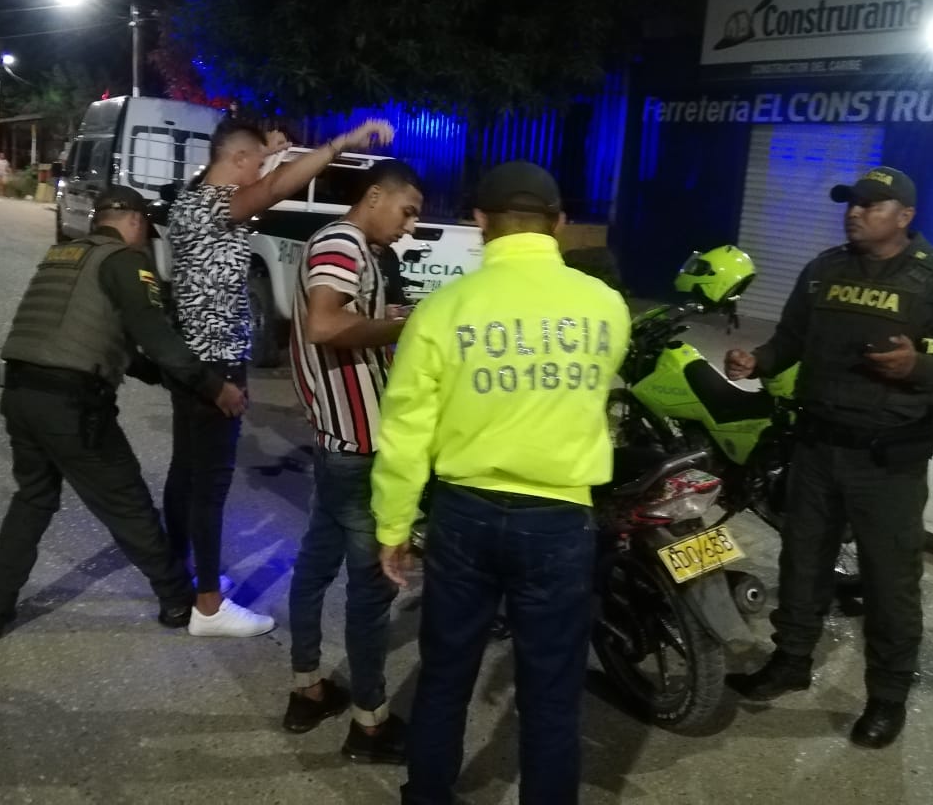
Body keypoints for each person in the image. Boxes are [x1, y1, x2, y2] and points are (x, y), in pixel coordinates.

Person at [371, 161, 630, 804]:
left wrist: (393, 525)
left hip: (465, 515)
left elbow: (406, 429)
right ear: (558, 223)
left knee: (445, 673)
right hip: (560, 519)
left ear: (479, 221)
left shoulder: (443, 309)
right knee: (552, 693)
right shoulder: (605, 306)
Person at [724, 167, 933, 749]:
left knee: (890, 582)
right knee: (803, 565)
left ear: (905, 216)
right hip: (816, 447)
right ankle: (791, 661)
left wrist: (920, 367)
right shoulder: (825, 269)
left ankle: (887, 697)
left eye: (870, 205)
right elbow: (790, 338)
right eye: (851, 204)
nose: (854, 213)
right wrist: (758, 361)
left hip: (887, 461)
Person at [162, 117, 395, 638]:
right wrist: (341, 144)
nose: (263, 172)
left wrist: (267, 153)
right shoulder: (214, 204)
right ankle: (208, 606)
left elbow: (260, 178)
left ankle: (178, 580)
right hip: (213, 367)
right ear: (238, 160)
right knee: (209, 486)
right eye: (257, 162)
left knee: (187, 476)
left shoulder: (189, 199)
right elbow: (271, 188)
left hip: (191, 363)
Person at [0, 186, 243, 639]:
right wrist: (215, 388)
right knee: (128, 505)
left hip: (20, 394)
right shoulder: (125, 261)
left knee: (33, 499)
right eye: (146, 230)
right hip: (72, 405)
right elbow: (158, 340)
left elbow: (104, 339)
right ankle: (179, 601)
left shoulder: (64, 255)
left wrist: (162, 380)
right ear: (135, 221)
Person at [283, 160, 422, 763]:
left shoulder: (350, 248)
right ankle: (369, 724)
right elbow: (324, 323)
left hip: (337, 442)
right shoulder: (343, 241)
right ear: (374, 196)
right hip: (360, 447)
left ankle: (308, 690)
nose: (408, 226)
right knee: (372, 588)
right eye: (407, 211)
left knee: (316, 565)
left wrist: (388, 318)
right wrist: (406, 330)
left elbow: (343, 318)